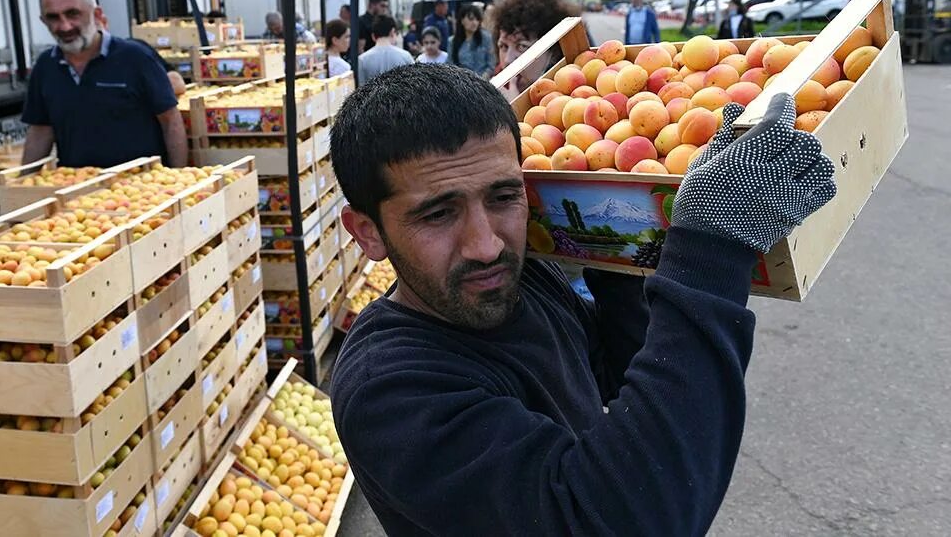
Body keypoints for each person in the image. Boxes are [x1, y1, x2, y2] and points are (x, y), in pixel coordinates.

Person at [329, 63, 836, 535]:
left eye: (504, 197)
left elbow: (617, 374)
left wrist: (617, 247)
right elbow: (625, 518)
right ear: (368, 232)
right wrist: (710, 250)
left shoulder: (525, 281)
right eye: (438, 214)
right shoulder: (390, 390)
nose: (486, 246)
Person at [21, 0, 187, 168]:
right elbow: (41, 131)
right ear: (43, 21)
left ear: (97, 15)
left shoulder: (135, 57)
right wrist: (20, 188)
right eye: (53, 17)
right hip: (77, 191)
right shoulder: (45, 67)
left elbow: (170, 121)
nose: (65, 26)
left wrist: (178, 176)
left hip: (140, 188)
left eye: (73, 13)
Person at [491, 0, 578, 96]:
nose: (507, 60)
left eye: (522, 46)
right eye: (503, 46)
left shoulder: (570, 95)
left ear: (553, 53)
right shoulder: (493, 89)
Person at [357, 14, 413, 84]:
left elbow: (360, 87)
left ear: (373, 36)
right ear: (392, 32)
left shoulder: (362, 60)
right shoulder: (405, 56)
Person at [450, 3, 494, 78]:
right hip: (462, 82)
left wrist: (484, 77)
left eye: (477, 19)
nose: (475, 23)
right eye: (471, 19)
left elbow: (491, 64)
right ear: (462, 20)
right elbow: (450, 65)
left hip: (483, 81)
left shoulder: (486, 38)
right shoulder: (452, 41)